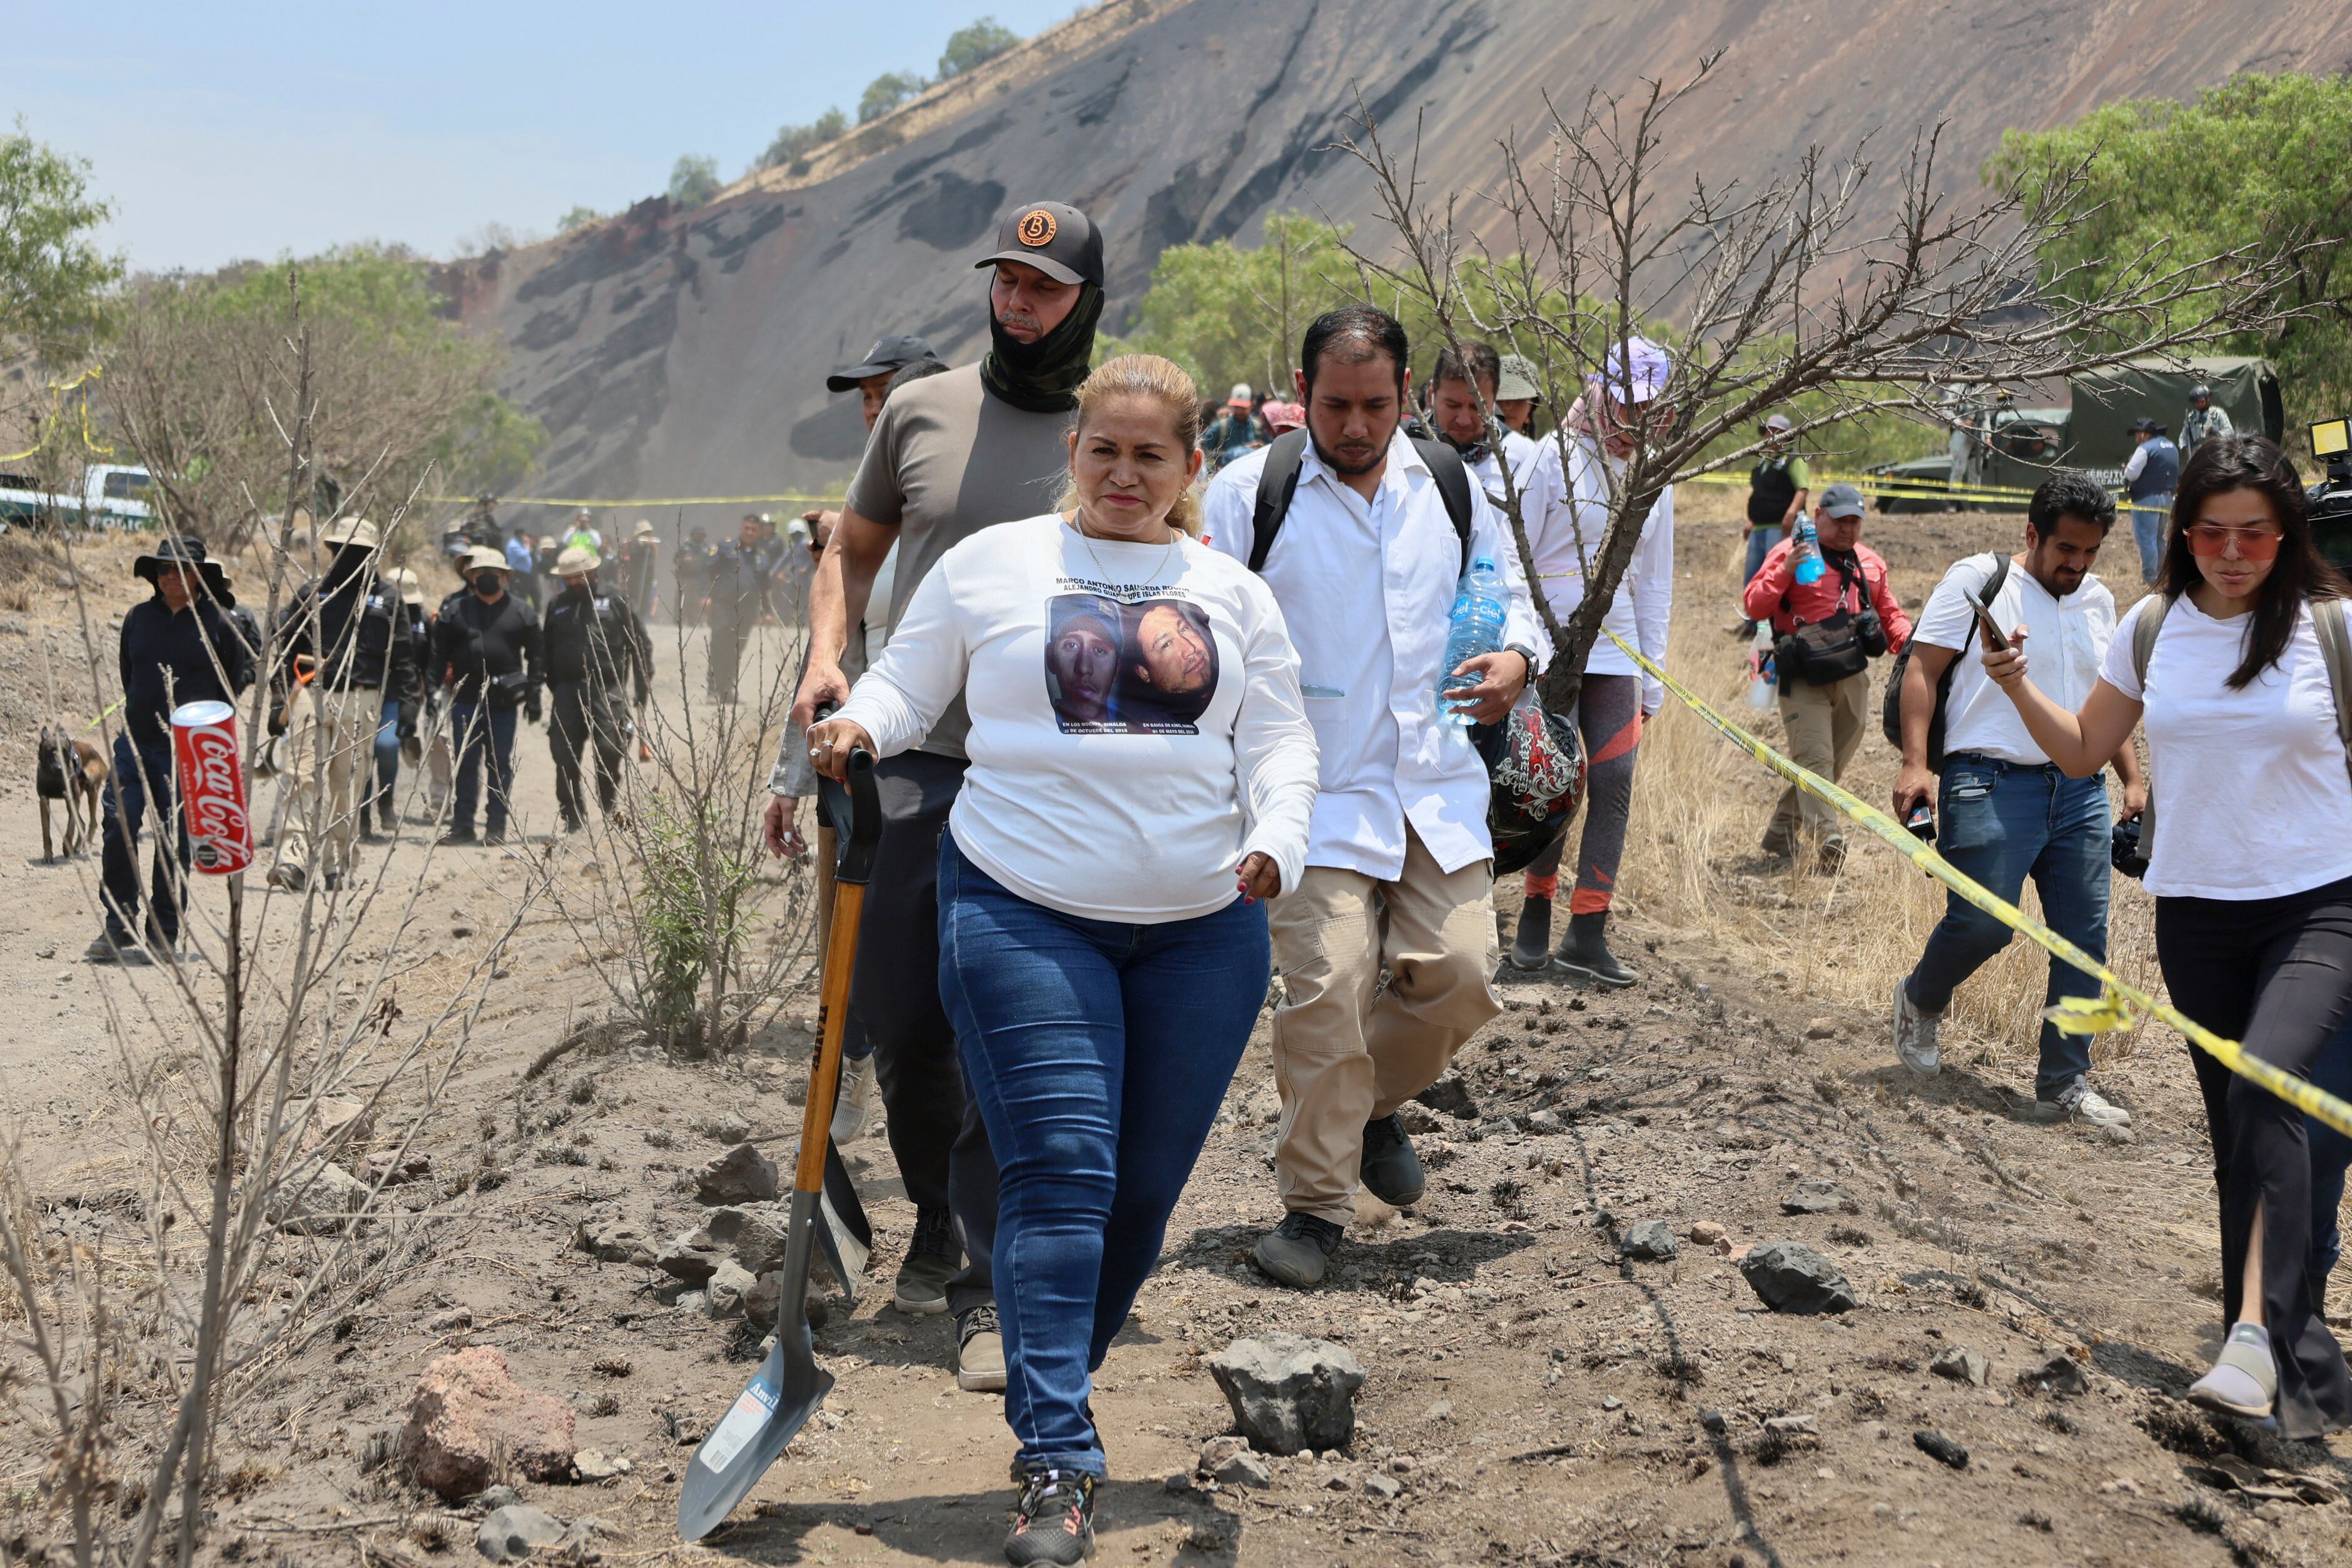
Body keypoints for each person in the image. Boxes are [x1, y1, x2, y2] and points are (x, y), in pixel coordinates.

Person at [809, 353, 1315, 1567]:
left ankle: (1045, 1355)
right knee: (1061, 1170)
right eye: (1104, 449)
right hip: (1023, 905)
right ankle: (1054, 1457)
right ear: (1073, 453)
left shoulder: (1231, 593)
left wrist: (1275, 838)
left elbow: (1283, 739)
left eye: (1152, 454)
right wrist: (857, 723)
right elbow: (906, 678)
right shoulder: (994, 569)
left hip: (1203, 930)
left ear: (1190, 465)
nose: (1125, 472)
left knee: (1136, 1197)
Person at [790, 199, 1109, 1387]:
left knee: (1001, 1022)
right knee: (906, 1015)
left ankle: (984, 1265)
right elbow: (853, 550)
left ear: (1085, 299)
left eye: (1044, 287)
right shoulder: (923, 412)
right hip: (916, 750)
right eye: (1005, 283)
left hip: (1055, 762)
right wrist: (832, 654)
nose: (1018, 304)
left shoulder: (1108, 427)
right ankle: (934, 1203)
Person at [1979, 433, 2352, 1437]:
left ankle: (2259, 1341)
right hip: (2197, 914)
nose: (2234, 552)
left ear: (2288, 532)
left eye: (2257, 534)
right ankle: (2278, 1349)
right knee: (2249, 1132)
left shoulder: (2335, 628)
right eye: (2212, 532)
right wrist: (2015, 685)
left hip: (2325, 905)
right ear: (2184, 533)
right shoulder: (2152, 627)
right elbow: (2086, 751)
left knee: (2273, 1084)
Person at [1202, 305, 1544, 1288]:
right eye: (1336, 404)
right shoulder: (1247, 494)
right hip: (1310, 794)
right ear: (1302, 394)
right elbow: (1203, 627)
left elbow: (1514, 597)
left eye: (1376, 405)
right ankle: (1314, 1208)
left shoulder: (1450, 488)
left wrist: (1519, 657)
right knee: (1326, 992)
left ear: (1407, 399)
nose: (1355, 426)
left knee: (1466, 976)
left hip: (1433, 784)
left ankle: (1368, 1104)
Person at [1890, 472, 2144, 1123]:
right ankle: (1921, 998)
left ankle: (2065, 1081)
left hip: (2080, 791)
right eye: (2066, 549)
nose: (2078, 564)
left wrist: (2132, 777)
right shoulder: (1979, 579)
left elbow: (2103, 702)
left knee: (2083, 939)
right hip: (1988, 780)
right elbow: (1923, 668)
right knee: (1982, 923)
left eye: (2090, 552)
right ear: (2031, 533)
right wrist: (1916, 764)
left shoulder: (2099, 601)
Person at [1504, 339, 1676, 984]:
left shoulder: (1655, 472)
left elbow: (1655, 582)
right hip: (1552, 645)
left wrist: (1651, 676)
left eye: (1649, 412)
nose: (1634, 425)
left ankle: (1588, 929)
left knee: (1615, 781)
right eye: (1626, 408)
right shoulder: (1552, 458)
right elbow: (1516, 555)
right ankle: (1534, 910)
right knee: (1550, 782)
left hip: (1619, 647)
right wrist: (1526, 646)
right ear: (1602, 393)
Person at [86, 537, 255, 965]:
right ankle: (118, 923)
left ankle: (163, 930)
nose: (169, 576)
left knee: (173, 839)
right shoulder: (138, 618)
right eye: (162, 568)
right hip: (135, 743)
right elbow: (130, 674)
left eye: (179, 568)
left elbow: (234, 681)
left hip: (189, 752)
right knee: (117, 824)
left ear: (198, 575)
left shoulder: (218, 622)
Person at [1743, 482, 1913, 871]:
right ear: (1818, 516)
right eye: (1839, 521)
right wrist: (1785, 572)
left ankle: (1782, 828)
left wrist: (1911, 646)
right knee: (1815, 757)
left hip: (1851, 672)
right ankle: (1828, 837)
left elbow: (1891, 614)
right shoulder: (1789, 553)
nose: (1847, 529)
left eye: (1855, 522)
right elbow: (1755, 605)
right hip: (1801, 674)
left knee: (1830, 763)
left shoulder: (1870, 563)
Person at [268, 518, 416, 893]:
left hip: (361, 700)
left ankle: (338, 864)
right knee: (300, 777)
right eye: (343, 550)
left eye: (360, 551)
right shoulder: (312, 593)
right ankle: (293, 860)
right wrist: (278, 699)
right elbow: (286, 648)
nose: (351, 557)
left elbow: (403, 656)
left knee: (344, 786)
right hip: (310, 695)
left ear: (374, 555)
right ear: (332, 551)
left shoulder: (389, 599)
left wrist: (410, 705)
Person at [430, 545, 541, 846]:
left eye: (493, 573)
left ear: (504, 578)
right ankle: (463, 825)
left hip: (504, 703)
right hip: (465, 699)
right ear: (471, 577)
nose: (487, 578)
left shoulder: (522, 612)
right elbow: (438, 654)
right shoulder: (454, 612)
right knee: (465, 762)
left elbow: (536, 656)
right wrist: (430, 690)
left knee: (499, 763)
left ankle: (496, 826)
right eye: (480, 573)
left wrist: (534, 695)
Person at [541, 545, 651, 832]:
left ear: (593, 572)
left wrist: (642, 687)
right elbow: (546, 650)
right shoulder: (557, 606)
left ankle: (608, 802)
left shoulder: (615, 600)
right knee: (564, 753)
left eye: (580, 576)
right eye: (569, 579)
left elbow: (639, 645)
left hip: (607, 687)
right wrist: (556, 687)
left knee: (610, 747)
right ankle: (573, 817)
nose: (575, 583)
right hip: (567, 690)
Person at [367, 565, 430, 839]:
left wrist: (417, 697)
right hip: (367, 688)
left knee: (386, 745)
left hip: (399, 693)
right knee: (363, 751)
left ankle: (386, 801)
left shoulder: (422, 620)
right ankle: (360, 814)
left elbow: (428, 659)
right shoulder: (370, 614)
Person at [1742, 413, 1810, 609]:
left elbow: (1802, 489)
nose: (1772, 436)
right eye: (1769, 431)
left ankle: (1774, 622)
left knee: (1775, 574)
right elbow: (1761, 494)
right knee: (1754, 575)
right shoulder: (1762, 462)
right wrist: (1752, 521)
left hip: (1780, 529)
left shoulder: (1793, 460)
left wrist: (1790, 515)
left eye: (1778, 432)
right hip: (1759, 528)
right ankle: (1751, 620)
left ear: (1787, 436)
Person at [704, 514, 774, 702]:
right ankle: (713, 689)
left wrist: (767, 611)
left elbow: (765, 586)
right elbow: (709, 570)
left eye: (754, 530)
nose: (750, 532)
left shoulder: (761, 556)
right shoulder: (726, 548)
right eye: (747, 528)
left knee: (736, 650)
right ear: (741, 529)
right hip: (723, 606)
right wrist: (706, 596)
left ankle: (727, 690)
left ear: (759, 532)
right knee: (719, 646)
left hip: (747, 611)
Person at [2124, 417, 2181, 585]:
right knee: (2159, 539)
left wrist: (2127, 468)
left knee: (2147, 540)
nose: (2136, 438)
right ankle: (2162, 575)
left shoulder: (2145, 448)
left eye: (2137, 434)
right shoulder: (2171, 447)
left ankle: (2150, 578)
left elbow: (2131, 474)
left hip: (2146, 498)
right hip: (2167, 498)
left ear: (2144, 434)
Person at [1201, 383, 1262, 469]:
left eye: (1243, 408)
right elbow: (1204, 452)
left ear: (1251, 405)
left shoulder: (1258, 426)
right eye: (1236, 407)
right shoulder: (1220, 427)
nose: (1239, 412)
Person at [619, 520, 661, 619]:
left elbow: (652, 558)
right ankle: (631, 617)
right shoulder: (633, 544)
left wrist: (648, 545)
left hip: (647, 575)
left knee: (645, 597)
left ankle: (642, 617)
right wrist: (640, 545)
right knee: (633, 596)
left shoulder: (651, 546)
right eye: (644, 533)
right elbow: (633, 554)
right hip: (635, 575)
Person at [672, 526, 713, 626]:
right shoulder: (685, 547)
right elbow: (675, 560)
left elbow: (711, 563)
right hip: (685, 578)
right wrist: (683, 559)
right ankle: (678, 621)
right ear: (693, 535)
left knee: (695, 601)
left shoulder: (706, 548)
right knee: (682, 600)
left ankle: (693, 621)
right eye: (696, 534)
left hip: (699, 579)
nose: (698, 536)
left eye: (700, 535)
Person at [1493, 353, 1541, 437]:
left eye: (1517, 399)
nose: (1507, 407)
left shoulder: (1541, 449)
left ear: (1531, 405)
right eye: (1500, 399)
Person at [2182, 382, 2234, 456]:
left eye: (2202, 401)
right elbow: (2184, 437)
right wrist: (2186, 448)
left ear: (2208, 399)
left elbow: (2230, 432)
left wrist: (2217, 434)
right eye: (2197, 402)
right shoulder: (2191, 418)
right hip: (2197, 455)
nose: (2200, 404)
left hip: (2216, 453)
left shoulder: (2218, 414)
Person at [504, 530, 540, 612]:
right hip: (519, 573)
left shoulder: (521, 543)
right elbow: (523, 555)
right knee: (522, 595)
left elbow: (532, 554)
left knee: (535, 593)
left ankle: (538, 611)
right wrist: (528, 544)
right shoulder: (513, 545)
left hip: (528, 573)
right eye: (524, 536)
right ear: (520, 536)